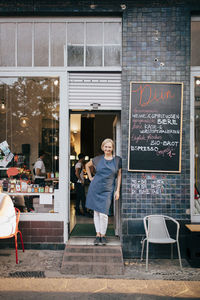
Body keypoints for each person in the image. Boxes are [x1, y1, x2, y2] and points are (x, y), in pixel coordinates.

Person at [85, 138, 122, 246]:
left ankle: (103, 235)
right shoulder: (97, 159)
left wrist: (117, 190)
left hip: (108, 189)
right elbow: (87, 165)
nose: (107, 149)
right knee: (96, 212)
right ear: (102, 147)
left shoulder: (117, 160)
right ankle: (98, 235)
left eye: (109, 147)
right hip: (95, 188)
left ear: (112, 148)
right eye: (106, 147)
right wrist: (90, 177)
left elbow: (119, 176)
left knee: (104, 214)